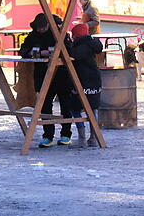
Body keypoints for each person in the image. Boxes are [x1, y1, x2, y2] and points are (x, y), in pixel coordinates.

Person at [19, 13, 74, 147]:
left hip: (61, 74)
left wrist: (57, 53)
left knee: (65, 105)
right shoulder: (33, 35)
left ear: (48, 25)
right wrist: (36, 52)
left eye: (43, 28)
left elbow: (70, 50)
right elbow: (23, 50)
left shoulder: (59, 33)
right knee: (45, 106)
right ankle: (48, 135)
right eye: (39, 28)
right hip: (42, 74)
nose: (41, 31)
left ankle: (66, 134)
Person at [69, 22, 105, 144]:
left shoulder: (80, 47)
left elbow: (72, 55)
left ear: (76, 36)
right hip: (94, 80)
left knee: (75, 108)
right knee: (92, 108)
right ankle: (93, 138)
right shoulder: (92, 43)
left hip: (82, 80)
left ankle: (82, 138)